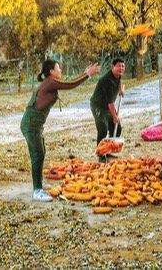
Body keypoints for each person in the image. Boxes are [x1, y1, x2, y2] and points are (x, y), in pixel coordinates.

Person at [20, 59, 101, 202]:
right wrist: (87, 74)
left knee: (41, 153)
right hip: (31, 124)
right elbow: (70, 84)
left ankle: (38, 183)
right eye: (58, 68)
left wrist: (85, 74)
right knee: (37, 155)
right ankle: (37, 191)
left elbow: (68, 82)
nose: (61, 70)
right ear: (51, 71)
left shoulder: (50, 82)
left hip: (36, 124)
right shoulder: (50, 82)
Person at [90, 58, 126, 162]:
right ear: (112, 67)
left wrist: (120, 89)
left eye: (123, 66)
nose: (121, 68)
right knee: (103, 129)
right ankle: (101, 154)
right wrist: (114, 116)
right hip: (98, 106)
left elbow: (119, 80)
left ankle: (109, 149)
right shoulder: (107, 80)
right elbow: (110, 103)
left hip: (108, 106)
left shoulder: (118, 75)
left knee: (117, 128)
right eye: (118, 66)